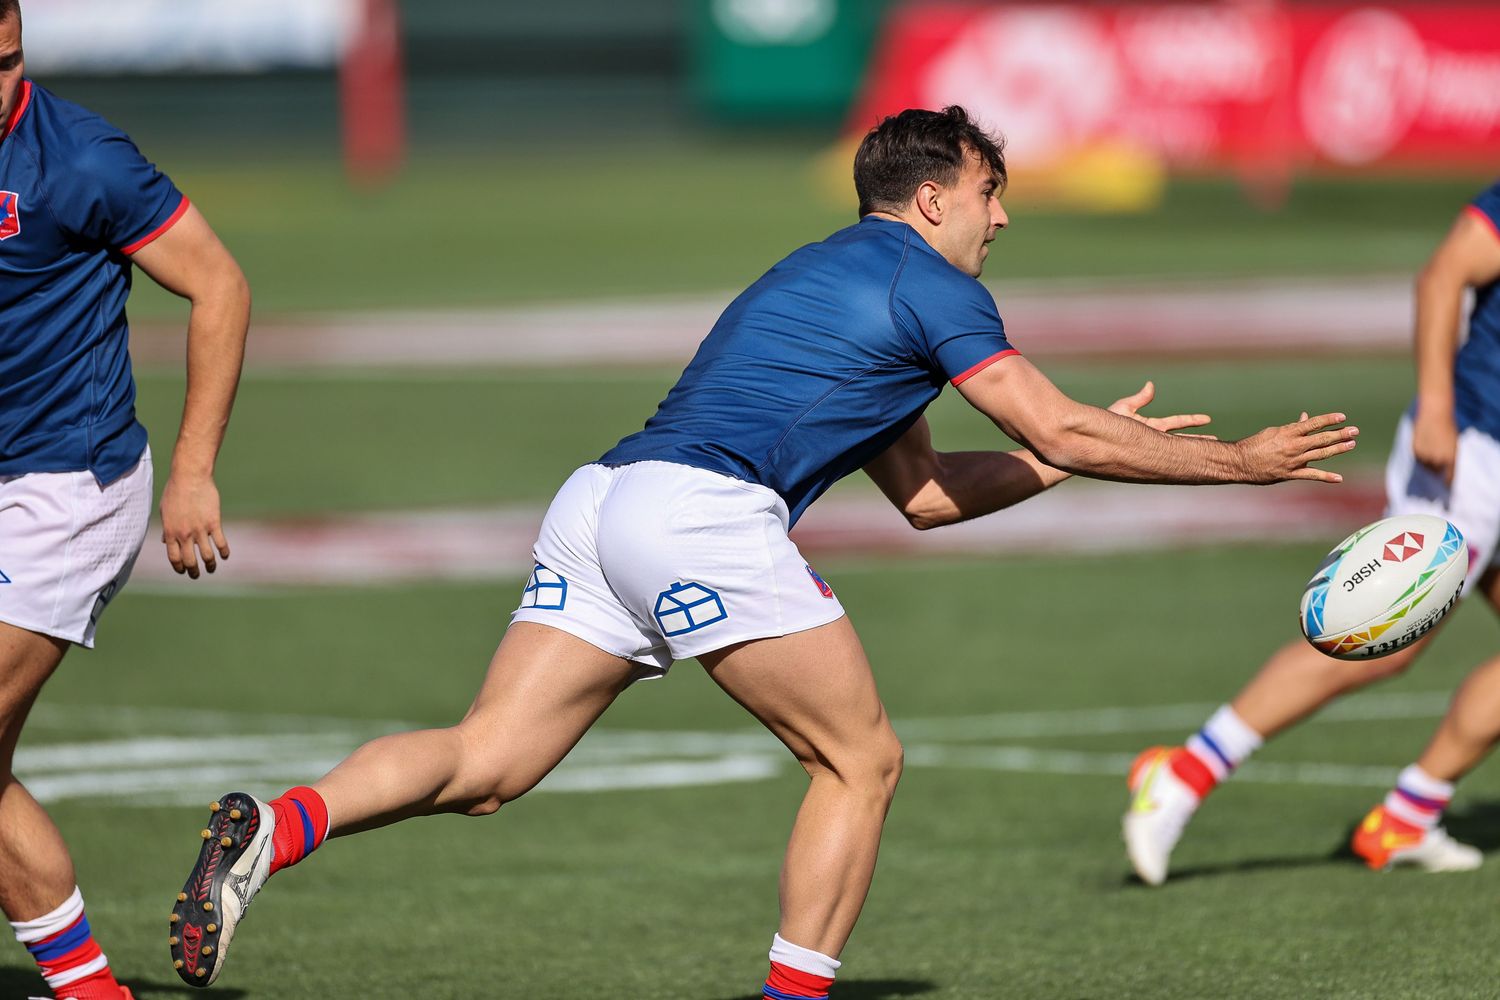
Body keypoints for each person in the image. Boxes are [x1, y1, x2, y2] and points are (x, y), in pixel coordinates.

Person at [169, 106, 1355, 996]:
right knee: (861, 760)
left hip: (604, 501)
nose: (1002, 217)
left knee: (486, 764)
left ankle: (278, 827)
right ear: (932, 198)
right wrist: (1240, 461)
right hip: (703, 516)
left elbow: (926, 495)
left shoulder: (824, 273)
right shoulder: (931, 285)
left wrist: (1062, 464)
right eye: (990, 192)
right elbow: (1054, 421)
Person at [1124, 179, 1500, 885]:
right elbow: (1444, 274)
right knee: (1377, 635)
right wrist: (1436, 405)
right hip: (1476, 450)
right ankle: (1183, 774)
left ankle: (1407, 817)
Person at [0, 3, 251, 998]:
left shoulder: (82, 159)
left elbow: (221, 285)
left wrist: (193, 470)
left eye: (8, 61)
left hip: (72, 487)